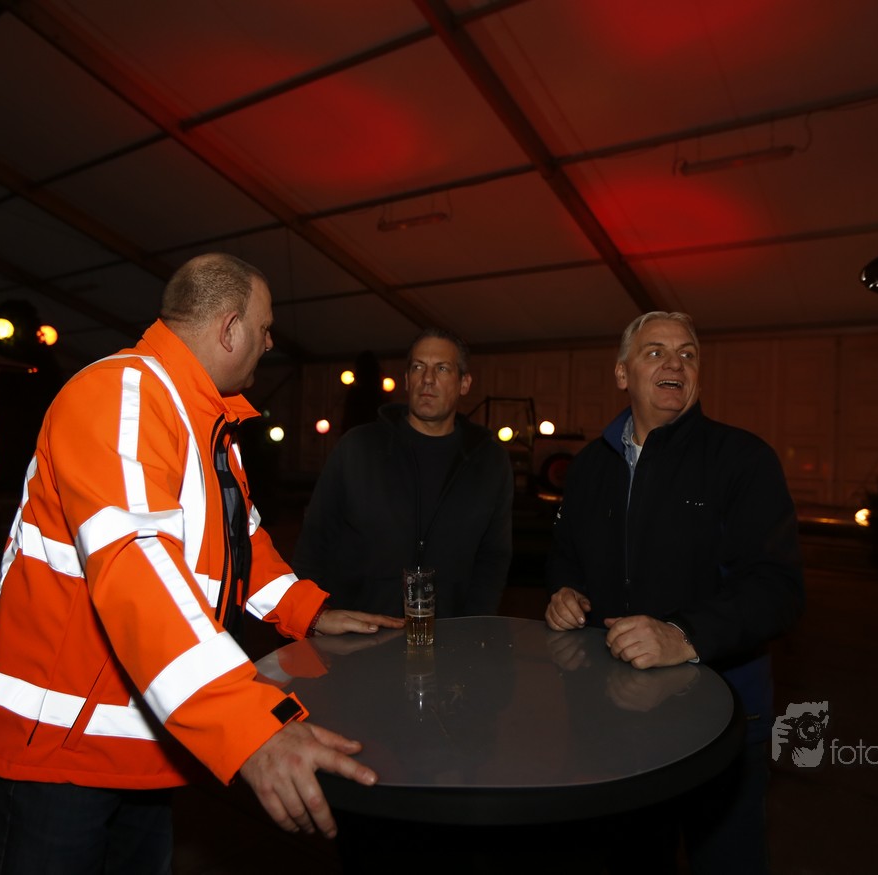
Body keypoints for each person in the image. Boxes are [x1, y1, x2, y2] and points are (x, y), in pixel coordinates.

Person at [0, 253, 402, 873]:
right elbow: (137, 569)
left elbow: (242, 541)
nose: (271, 343)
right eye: (265, 328)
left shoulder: (207, 421)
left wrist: (307, 611)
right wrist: (247, 723)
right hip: (58, 752)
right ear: (230, 328)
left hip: (146, 740)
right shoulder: (123, 396)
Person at [544, 311, 804, 874]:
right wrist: (565, 590)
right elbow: (566, 552)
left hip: (722, 716)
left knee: (726, 859)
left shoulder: (742, 460)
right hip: (610, 712)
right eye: (656, 351)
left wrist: (683, 636)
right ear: (622, 373)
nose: (675, 363)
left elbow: (777, 587)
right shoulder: (589, 467)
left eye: (688, 354)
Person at [293, 327, 513, 618]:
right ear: (407, 380)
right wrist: (314, 617)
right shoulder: (358, 447)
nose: (428, 379)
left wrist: (474, 626)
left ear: (464, 383)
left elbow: (493, 557)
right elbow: (314, 542)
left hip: (451, 634)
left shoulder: (490, 461)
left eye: (442, 368)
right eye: (418, 367)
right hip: (358, 631)